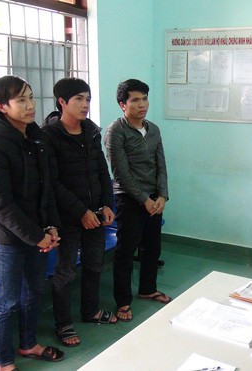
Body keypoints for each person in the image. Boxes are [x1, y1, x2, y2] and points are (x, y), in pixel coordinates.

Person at [0, 75, 65, 371]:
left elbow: (46, 186)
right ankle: (4, 362)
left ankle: (28, 344)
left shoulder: (34, 137)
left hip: (37, 233)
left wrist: (50, 227)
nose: (30, 106)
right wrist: (35, 236)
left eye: (31, 98)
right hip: (8, 239)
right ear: (2, 106)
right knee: (8, 301)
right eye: (21, 100)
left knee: (33, 292)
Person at [42, 77, 117, 348]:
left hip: (95, 214)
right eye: (79, 99)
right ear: (62, 102)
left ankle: (90, 310)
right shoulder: (48, 137)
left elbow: (101, 171)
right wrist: (81, 211)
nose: (85, 105)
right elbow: (52, 183)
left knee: (94, 263)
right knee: (64, 273)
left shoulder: (91, 132)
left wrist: (106, 203)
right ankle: (62, 322)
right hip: (67, 218)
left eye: (88, 99)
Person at [104, 78, 171, 322]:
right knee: (125, 252)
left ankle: (147, 289)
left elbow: (161, 165)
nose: (142, 104)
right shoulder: (116, 131)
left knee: (152, 247)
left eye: (144, 99)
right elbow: (120, 172)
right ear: (123, 104)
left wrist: (162, 195)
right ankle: (122, 302)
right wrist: (144, 199)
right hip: (128, 199)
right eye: (135, 100)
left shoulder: (153, 129)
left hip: (154, 198)